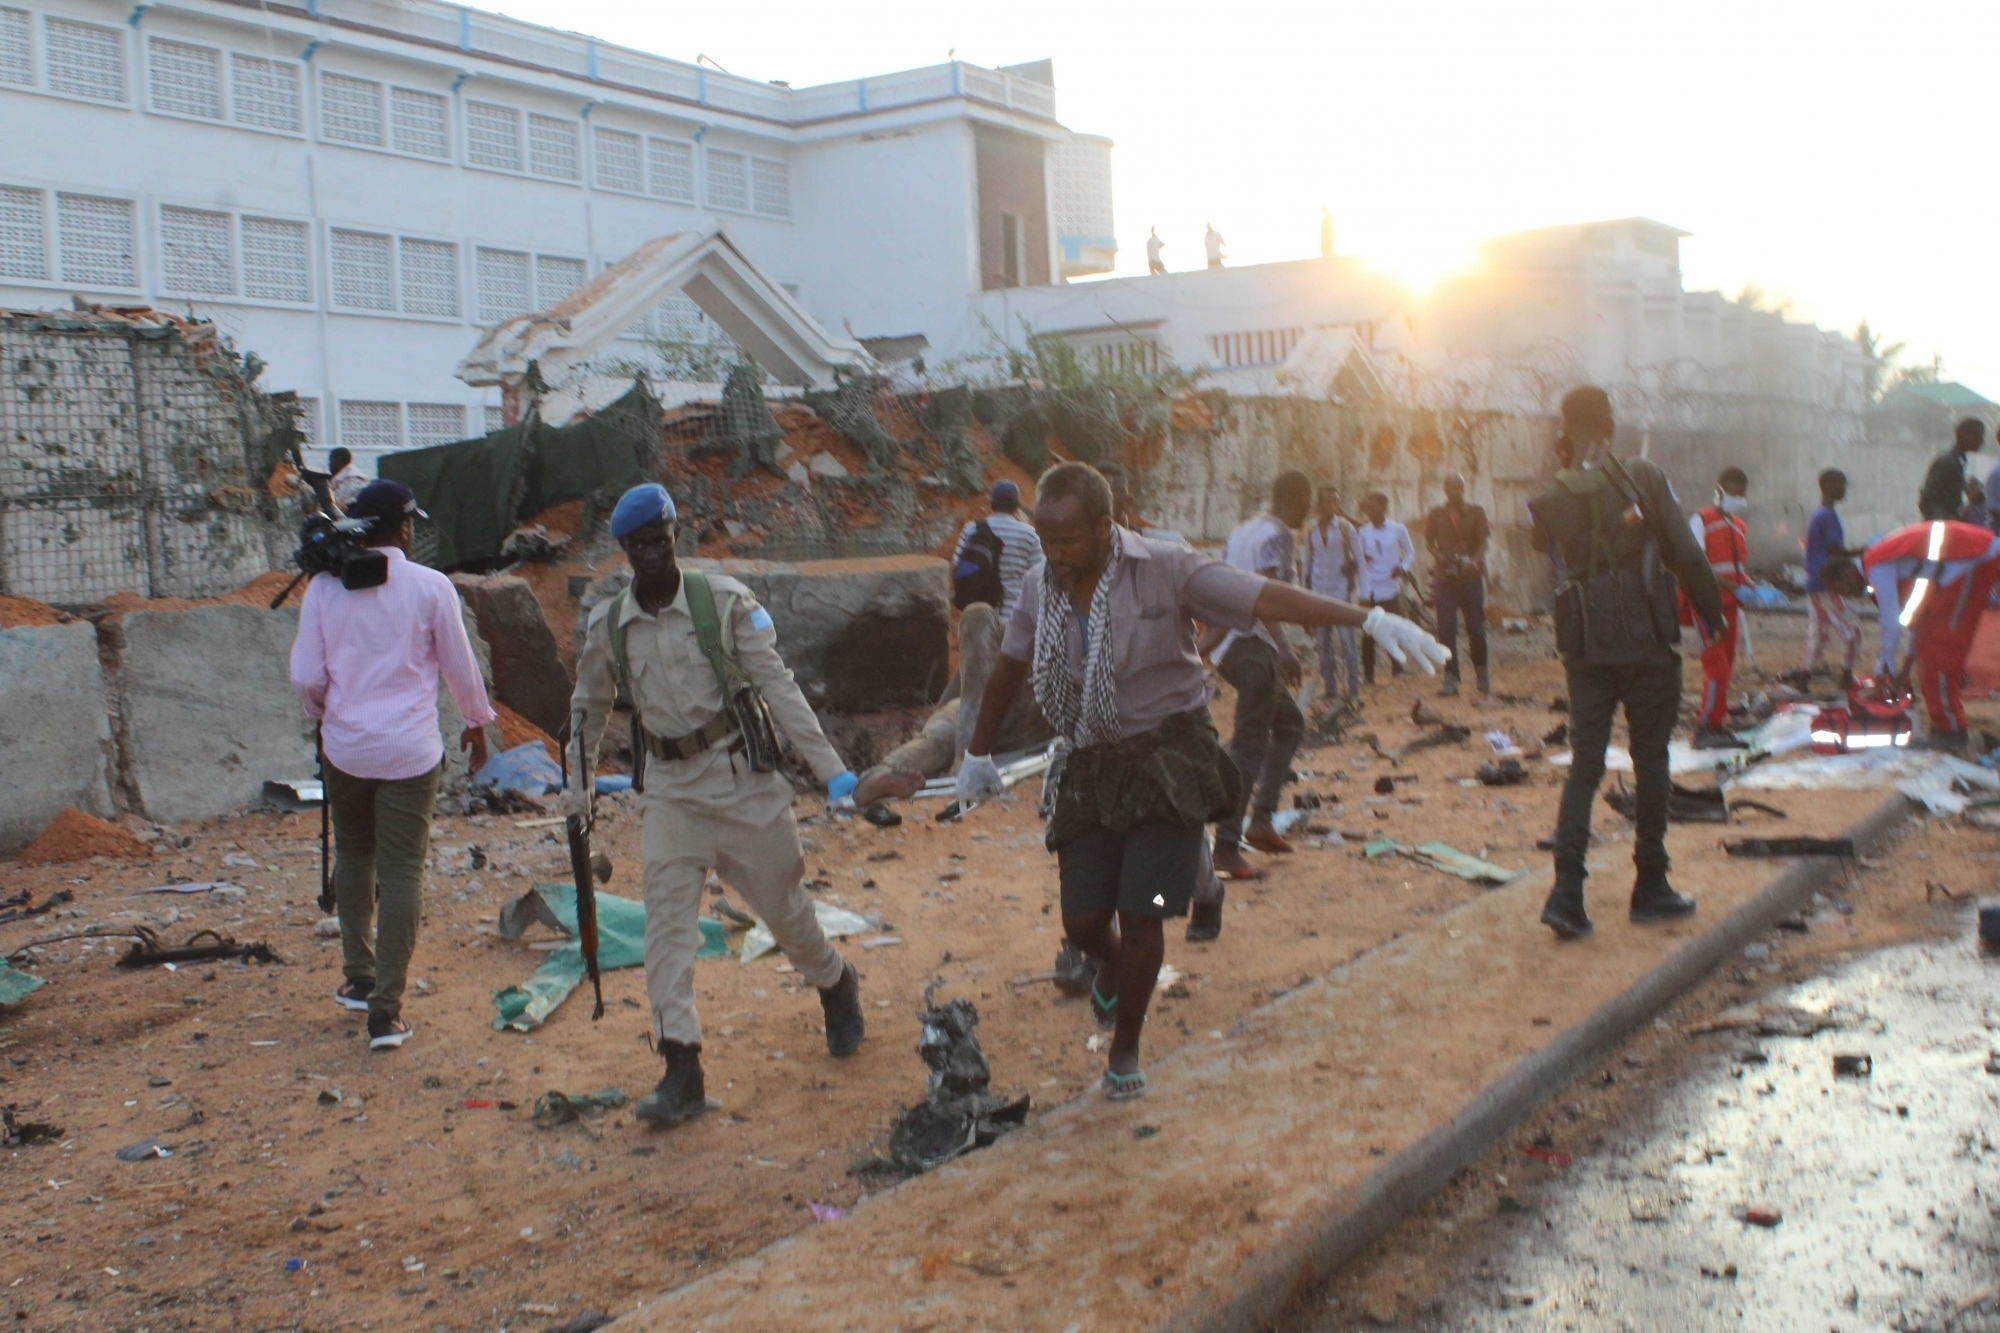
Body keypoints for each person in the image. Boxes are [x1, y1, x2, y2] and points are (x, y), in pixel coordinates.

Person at [956, 462, 1447, 1099]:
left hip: (1169, 761)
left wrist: (1369, 621)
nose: (1055, 554)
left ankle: (1126, 1045)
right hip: (1090, 761)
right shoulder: (1038, 586)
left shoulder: (1167, 566)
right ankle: (1110, 966)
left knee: (1145, 915)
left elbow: (1260, 597)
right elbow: (1009, 668)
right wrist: (978, 753)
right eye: (1046, 541)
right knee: (1081, 920)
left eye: (1068, 541)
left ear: (1105, 528)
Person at [567, 484, 867, 1126]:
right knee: (666, 929)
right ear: (623, 550)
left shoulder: (722, 603)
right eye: (636, 546)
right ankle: (682, 1067)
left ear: (675, 535)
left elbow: (776, 686)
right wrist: (578, 791)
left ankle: (835, 982)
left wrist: (834, 773)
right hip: (670, 792)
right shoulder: (610, 625)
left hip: (740, 782)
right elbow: (588, 708)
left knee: (784, 912)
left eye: (659, 541)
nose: (649, 555)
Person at [288, 480, 495, 1051]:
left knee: (355, 851)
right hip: (409, 752)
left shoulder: (324, 589)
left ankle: (358, 977)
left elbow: (307, 676)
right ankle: (386, 1012)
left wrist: (330, 714)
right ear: (403, 526)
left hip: (346, 749)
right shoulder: (431, 587)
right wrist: (476, 722)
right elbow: (459, 666)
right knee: (402, 870)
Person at [1529, 387, 1725, 941]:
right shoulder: (1642, 475)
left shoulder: (1550, 495)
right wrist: (1712, 615)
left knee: (1585, 766)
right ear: (1610, 423)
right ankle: (1650, 887)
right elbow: (1685, 553)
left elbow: (1544, 549)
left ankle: (1567, 893)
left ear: (1564, 431)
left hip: (1586, 649)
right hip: (1644, 643)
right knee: (1651, 760)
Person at [1209, 471, 1313, 881]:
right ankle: (1227, 845)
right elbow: (1268, 596)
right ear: (1298, 499)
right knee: (1249, 747)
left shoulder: (1242, 530)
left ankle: (1262, 819)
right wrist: (1284, 648)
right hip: (1254, 649)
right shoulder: (1280, 536)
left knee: (1290, 724)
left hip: (1229, 647)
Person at [1861, 518, 2000, 750]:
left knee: (1939, 652)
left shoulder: (1877, 566)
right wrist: (1905, 666)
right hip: (1971, 557)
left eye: (1842, 590)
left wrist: (1884, 666)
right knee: (1932, 647)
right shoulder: (1899, 561)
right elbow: (1920, 617)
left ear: (1845, 574)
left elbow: (1890, 623)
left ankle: (1952, 731)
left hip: (1973, 557)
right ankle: (1944, 725)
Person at [951, 480, 1045, 760]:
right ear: (1016, 505)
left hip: (980, 618)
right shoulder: (1029, 535)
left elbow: (956, 568)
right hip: (1014, 622)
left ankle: (963, 746)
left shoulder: (972, 528)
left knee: (969, 678)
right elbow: (1042, 578)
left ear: (992, 503)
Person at [1688, 467, 1751, 746]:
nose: (1738, 496)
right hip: (1707, 605)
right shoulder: (1700, 520)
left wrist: (1755, 588)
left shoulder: (1739, 526)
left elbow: (1736, 568)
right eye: (1733, 491)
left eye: (1741, 492)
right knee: (1717, 669)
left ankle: (1715, 724)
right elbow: (1697, 567)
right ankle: (1703, 729)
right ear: (1720, 489)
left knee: (1727, 666)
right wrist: (1734, 587)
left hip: (1730, 607)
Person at [1422, 473, 1491, 698]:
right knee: (1446, 630)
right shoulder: (1436, 515)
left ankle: (1482, 673)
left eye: (1458, 487)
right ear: (1444, 489)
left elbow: (1483, 542)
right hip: (1445, 580)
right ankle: (1451, 678)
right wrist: (1439, 557)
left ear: (1463, 488)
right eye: (1450, 487)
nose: (1454, 491)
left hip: (1470, 577)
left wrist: (1474, 561)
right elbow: (1428, 542)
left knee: (1476, 629)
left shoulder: (1476, 512)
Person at [1801, 469, 1864, 684]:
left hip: (1814, 582)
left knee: (1818, 633)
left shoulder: (1819, 514)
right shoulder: (1828, 516)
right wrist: (1867, 550)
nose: (1844, 489)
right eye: (1841, 484)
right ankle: (1847, 675)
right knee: (1852, 632)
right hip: (1828, 583)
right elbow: (1836, 550)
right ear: (1828, 485)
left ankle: (1804, 677)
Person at [1304, 483, 1362, 704]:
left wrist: (1355, 574)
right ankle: (1330, 687)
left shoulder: (1346, 529)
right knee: (1323, 642)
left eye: (1336, 501)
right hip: (1319, 592)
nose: (1333, 506)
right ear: (1319, 504)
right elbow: (1307, 565)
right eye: (1328, 501)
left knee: (1347, 641)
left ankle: (1354, 688)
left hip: (1341, 593)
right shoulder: (1311, 530)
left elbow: (1359, 559)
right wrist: (1305, 593)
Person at [1354, 492, 1415, 683]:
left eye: (1374, 507)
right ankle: (1369, 675)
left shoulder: (1397, 529)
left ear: (1383, 508)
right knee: (1368, 634)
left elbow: (1410, 552)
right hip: (1370, 588)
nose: (1370, 511)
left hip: (1391, 588)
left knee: (1393, 629)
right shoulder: (1363, 531)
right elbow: (1359, 558)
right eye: (1368, 507)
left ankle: (1398, 670)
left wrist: (1403, 567)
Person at [1919, 418, 1984, 521]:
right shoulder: (1948, 462)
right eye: (1978, 436)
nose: (1981, 441)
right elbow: (1928, 500)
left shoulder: (1959, 461)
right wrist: (1945, 523)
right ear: (1966, 436)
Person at [326, 447, 368, 512]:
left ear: (338, 460)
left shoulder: (353, 479)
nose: (329, 464)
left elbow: (339, 502)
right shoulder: (342, 478)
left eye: (331, 461)